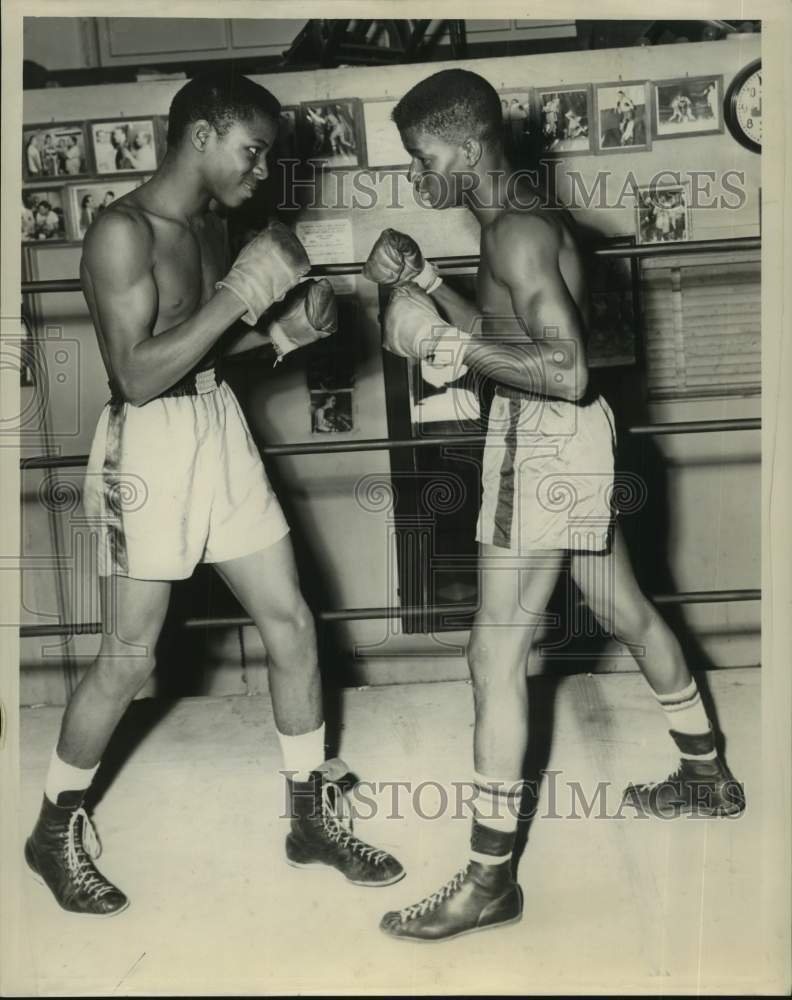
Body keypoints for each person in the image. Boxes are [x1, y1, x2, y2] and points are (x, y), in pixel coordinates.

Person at [362, 67, 744, 943]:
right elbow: (518, 333)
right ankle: (706, 772)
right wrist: (427, 282)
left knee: (491, 652)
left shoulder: (517, 233)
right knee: (622, 605)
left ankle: (490, 877)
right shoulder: (519, 221)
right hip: (575, 440)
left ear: (464, 147)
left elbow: (565, 372)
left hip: (543, 437)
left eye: (423, 158)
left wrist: (448, 343)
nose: (419, 177)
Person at [24, 70, 403, 918]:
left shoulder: (213, 225)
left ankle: (308, 815)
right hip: (148, 447)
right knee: (130, 657)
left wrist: (281, 337)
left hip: (218, 429)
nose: (261, 171)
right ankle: (54, 827)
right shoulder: (121, 233)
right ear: (202, 135)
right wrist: (242, 295)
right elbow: (138, 372)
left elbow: (204, 357)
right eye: (252, 151)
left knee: (293, 621)